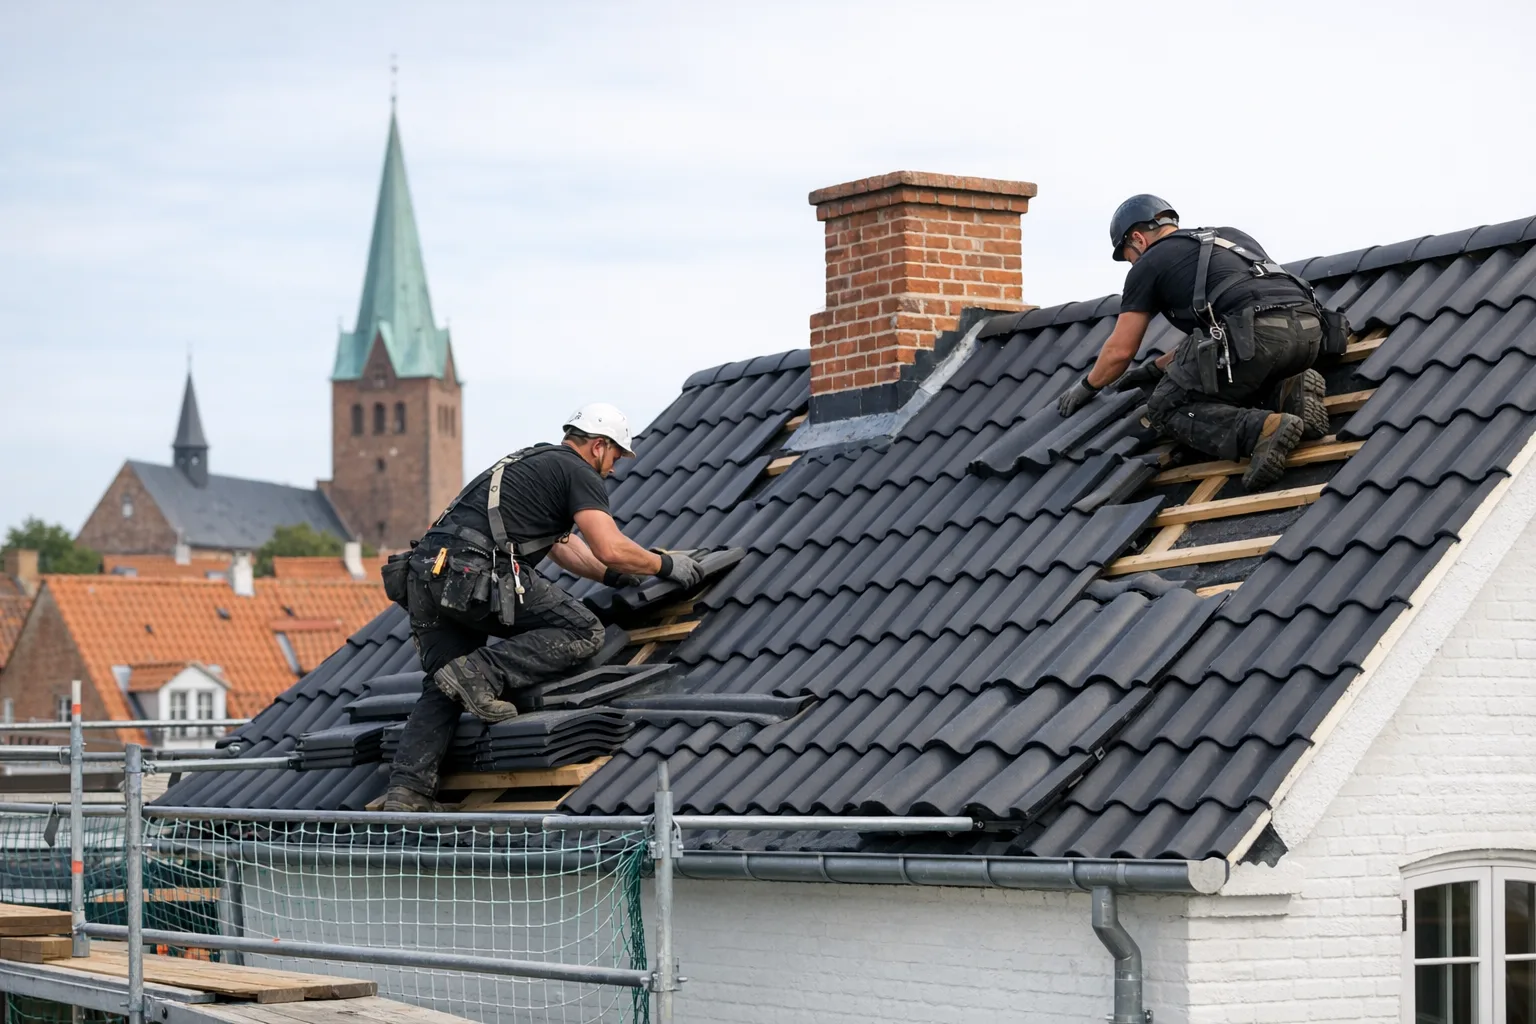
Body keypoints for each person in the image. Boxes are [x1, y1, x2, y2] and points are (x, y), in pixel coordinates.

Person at [380, 403, 705, 812]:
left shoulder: (533, 465)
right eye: (616, 456)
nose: (614, 467)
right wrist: (665, 565)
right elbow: (609, 546)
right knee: (584, 631)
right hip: (471, 569)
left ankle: (407, 792)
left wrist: (616, 576)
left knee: (446, 682)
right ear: (598, 446)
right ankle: (481, 673)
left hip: (426, 576)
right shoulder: (579, 471)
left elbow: (566, 548)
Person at [1057, 195, 1332, 489]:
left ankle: (1263, 430)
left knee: (1166, 406)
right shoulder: (1229, 237)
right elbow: (1219, 329)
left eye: (1129, 257)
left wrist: (1088, 386)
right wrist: (1155, 368)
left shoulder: (1149, 263)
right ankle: (1289, 389)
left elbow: (1121, 351)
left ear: (1137, 239)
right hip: (1309, 332)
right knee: (1233, 373)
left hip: (1257, 341)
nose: (1132, 263)